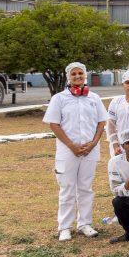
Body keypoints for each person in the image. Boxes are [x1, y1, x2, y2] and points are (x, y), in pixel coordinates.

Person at [43, 61, 108, 241]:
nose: (78, 76)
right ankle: (65, 226)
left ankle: (85, 224)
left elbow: (101, 122)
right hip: (67, 151)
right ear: (68, 77)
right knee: (67, 189)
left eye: (80, 73)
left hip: (89, 151)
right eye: (74, 74)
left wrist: (93, 143)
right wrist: (71, 145)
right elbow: (53, 124)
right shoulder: (59, 99)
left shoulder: (94, 98)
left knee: (86, 188)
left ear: (85, 75)